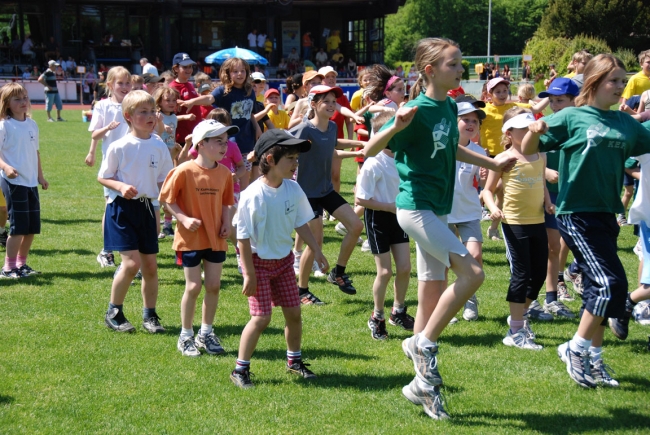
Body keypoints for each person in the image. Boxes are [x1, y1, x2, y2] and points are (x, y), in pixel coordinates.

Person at [362, 37, 517, 419]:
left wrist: (494, 164)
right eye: (453, 64)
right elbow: (368, 151)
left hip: (436, 209)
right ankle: (424, 343)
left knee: (431, 287)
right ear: (430, 70)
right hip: (415, 211)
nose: (461, 69)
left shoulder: (449, 106)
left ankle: (422, 384)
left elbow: (451, 147)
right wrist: (394, 125)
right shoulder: (415, 109)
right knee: (473, 273)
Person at [521, 53, 650, 388]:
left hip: (608, 213)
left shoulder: (626, 124)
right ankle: (574, 348)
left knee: (599, 288)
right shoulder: (573, 117)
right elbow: (528, 147)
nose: (621, 87)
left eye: (623, 81)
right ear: (593, 82)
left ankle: (594, 359)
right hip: (576, 213)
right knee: (611, 285)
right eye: (614, 81)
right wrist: (534, 130)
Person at [231, 129, 328, 388]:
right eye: (291, 159)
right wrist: (249, 274)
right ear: (271, 159)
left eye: (297, 159)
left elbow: (301, 222)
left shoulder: (293, 189)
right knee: (261, 318)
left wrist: (316, 250)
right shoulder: (253, 195)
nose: (296, 164)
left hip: (284, 262)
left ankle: (294, 360)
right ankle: (240, 370)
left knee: (294, 313)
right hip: (257, 263)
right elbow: (241, 237)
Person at [98, 90, 173, 334]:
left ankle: (149, 316)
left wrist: (164, 211)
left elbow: (165, 182)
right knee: (131, 264)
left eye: (153, 111)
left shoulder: (159, 145)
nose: (151, 116)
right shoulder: (120, 146)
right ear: (129, 116)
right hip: (121, 209)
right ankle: (114, 311)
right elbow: (103, 176)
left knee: (150, 267)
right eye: (143, 112)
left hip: (147, 209)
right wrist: (120, 186)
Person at [159, 120, 235, 356]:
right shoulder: (183, 170)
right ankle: (185, 335)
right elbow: (166, 200)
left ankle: (206, 333)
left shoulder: (225, 173)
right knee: (193, 286)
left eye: (226, 141)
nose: (224, 146)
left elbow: (227, 202)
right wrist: (183, 219)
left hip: (216, 239)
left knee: (213, 285)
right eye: (218, 141)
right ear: (201, 144)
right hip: (190, 239)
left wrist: (226, 223)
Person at [290, 85, 365, 304]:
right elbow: (284, 143)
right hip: (307, 194)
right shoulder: (304, 129)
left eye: (334, 101)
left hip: (325, 191)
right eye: (326, 101)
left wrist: (360, 146)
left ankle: (338, 272)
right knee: (315, 243)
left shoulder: (331, 127)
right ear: (313, 104)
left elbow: (332, 147)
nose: (332, 105)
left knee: (356, 226)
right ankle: (302, 291)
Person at [483, 107, 549, 350]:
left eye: (530, 127)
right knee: (521, 274)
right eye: (523, 129)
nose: (528, 132)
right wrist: (493, 209)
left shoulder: (540, 156)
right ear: (509, 133)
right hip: (514, 223)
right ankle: (515, 331)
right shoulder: (503, 159)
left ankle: (518, 315)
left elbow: (541, 182)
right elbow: (487, 190)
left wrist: (549, 203)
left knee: (540, 273)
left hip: (538, 221)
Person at [356, 111, 413, 339]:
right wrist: (390, 207)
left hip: (399, 217)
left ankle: (397, 311)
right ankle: (377, 316)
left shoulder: (403, 158)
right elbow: (360, 199)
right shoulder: (373, 164)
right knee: (385, 271)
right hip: (378, 219)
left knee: (406, 268)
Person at [480, 77, 547, 240]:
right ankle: (478, 205)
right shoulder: (485, 111)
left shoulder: (514, 107)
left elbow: (536, 108)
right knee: (491, 190)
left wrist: (551, 95)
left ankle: (493, 227)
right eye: (498, 92)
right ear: (489, 94)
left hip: (510, 155)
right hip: (490, 158)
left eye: (505, 91)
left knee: (501, 192)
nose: (502, 94)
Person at [536, 78, 580, 312]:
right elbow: (523, 156)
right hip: (547, 195)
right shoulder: (543, 124)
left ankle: (566, 280)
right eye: (551, 100)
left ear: (576, 101)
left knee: (569, 243)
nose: (554, 105)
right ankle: (549, 295)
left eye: (560, 100)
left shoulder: (582, 126)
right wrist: (544, 171)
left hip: (574, 193)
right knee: (550, 245)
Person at [0, 83, 48, 279]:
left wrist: (40, 176)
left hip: (30, 183)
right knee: (18, 228)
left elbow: (35, 152)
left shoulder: (32, 124)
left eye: (25, 98)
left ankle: (21, 264)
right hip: (13, 183)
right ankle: (8, 268)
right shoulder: (4, 125)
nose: (23, 102)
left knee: (31, 228)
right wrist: (5, 167)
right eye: (17, 99)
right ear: (7, 103)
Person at [87, 66, 133, 268]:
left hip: (134, 163)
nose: (124, 87)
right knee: (111, 207)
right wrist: (107, 128)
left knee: (132, 207)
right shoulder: (103, 106)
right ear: (110, 85)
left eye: (127, 83)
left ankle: (130, 248)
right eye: (120, 83)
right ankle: (106, 250)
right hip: (112, 166)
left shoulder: (134, 103)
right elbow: (94, 134)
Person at [447, 101, 488, 322]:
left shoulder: (479, 151)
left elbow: (480, 183)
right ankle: (447, 301)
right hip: (443, 212)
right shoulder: (443, 147)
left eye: (475, 121)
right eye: (466, 119)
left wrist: (483, 176)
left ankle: (470, 297)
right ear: (454, 123)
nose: (471, 124)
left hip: (469, 212)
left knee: (475, 255)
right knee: (444, 261)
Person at [169, 53, 202, 145]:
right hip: (183, 138)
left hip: (196, 135)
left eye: (190, 66)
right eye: (185, 67)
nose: (189, 70)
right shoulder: (172, 88)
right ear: (176, 68)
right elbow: (168, 114)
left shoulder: (190, 85)